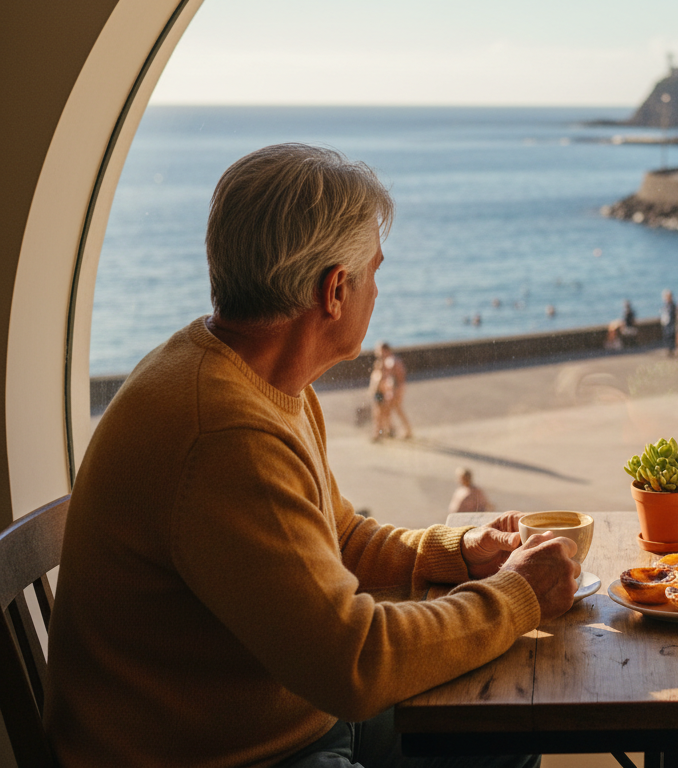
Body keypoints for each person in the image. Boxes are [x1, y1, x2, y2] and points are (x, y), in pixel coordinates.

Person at [44, 144, 580, 768]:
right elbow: (355, 663)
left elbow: (334, 535)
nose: (378, 291)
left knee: (503, 733)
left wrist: (456, 554)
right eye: (374, 273)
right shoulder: (222, 432)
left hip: (286, 719)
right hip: (230, 756)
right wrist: (518, 596)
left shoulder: (257, 380)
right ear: (335, 289)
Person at [369, 340, 412, 440]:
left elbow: (398, 379)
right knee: (386, 412)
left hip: (393, 391)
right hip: (389, 391)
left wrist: (394, 392)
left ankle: (403, 430)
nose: (377, 353)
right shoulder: (386, 361)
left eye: (379, 350)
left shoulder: (392, 361)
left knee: (393, 411)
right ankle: (391, 431)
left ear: (385, 350)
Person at [659, 289, 676, 356]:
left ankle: (671, 350)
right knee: (666, 337)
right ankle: (668, 349)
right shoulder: (665, 305)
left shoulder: (672, 305)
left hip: (671, 323)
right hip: (666, 323)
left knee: (671, 336)